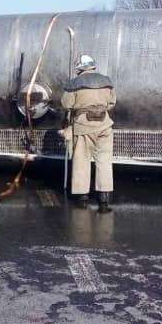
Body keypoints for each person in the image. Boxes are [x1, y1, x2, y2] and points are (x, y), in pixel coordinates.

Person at [61, 54, 116, 213]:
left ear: (79, 68)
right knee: (104, 162)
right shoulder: (107, 81)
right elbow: (112, 103)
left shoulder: (74, 83)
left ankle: (82, 198)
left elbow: (66, 104)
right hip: (104, 124)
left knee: (81, 161)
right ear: (92, 66)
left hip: (83, 125)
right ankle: (104, 200)